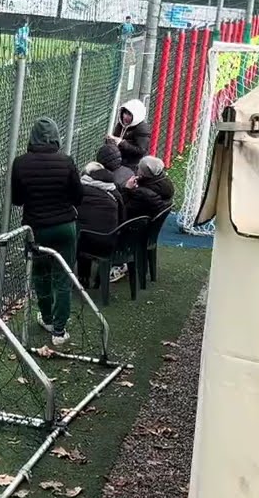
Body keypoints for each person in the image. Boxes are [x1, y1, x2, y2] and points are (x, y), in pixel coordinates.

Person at [10, 118, 82, 345]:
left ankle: (48, 318)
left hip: (36, 228)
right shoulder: (67, 162)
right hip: (64, 227)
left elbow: (18, 199)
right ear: (56, 137)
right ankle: (59, 332)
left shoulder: (20, 163)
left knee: (41, 274)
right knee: (63, 276)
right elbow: (78, 196)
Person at [75, 157, 126, 286]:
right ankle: (99, 279)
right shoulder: (115, 193)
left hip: (84, 240)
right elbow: (122, 218)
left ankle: (83, 278)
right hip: (109, 242)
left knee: (83, 235)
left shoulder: (80, 191)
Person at [123, 154, 176, 220]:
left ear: (142, 173)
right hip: (153, 218)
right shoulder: (167, 183)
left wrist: (127, 189)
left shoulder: (142, 193)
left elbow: (125, 210)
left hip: (137, 224)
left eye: (139, 168)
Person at [108, 99, 152, 169]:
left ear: (136, 116)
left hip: (133, 165)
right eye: (125, 113)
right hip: (119, 162)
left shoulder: (142, 129)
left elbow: (141, 150)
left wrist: (122, 143)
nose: (125, 117)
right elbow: (116, 139)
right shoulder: (120, 125)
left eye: (129, 114)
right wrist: (111, 141)